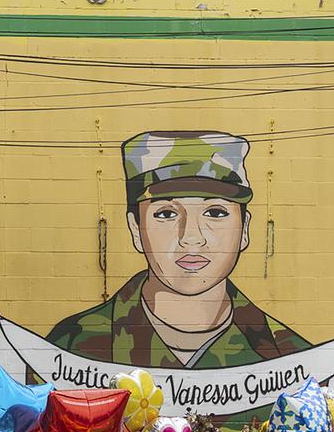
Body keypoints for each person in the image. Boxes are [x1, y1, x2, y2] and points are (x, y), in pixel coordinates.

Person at [47, 131, 309, 371]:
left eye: (215, 212)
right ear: (136, 229)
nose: (191, 237)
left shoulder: (287, 357)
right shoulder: (71, 347)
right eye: (167, 214)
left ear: (245, 229)